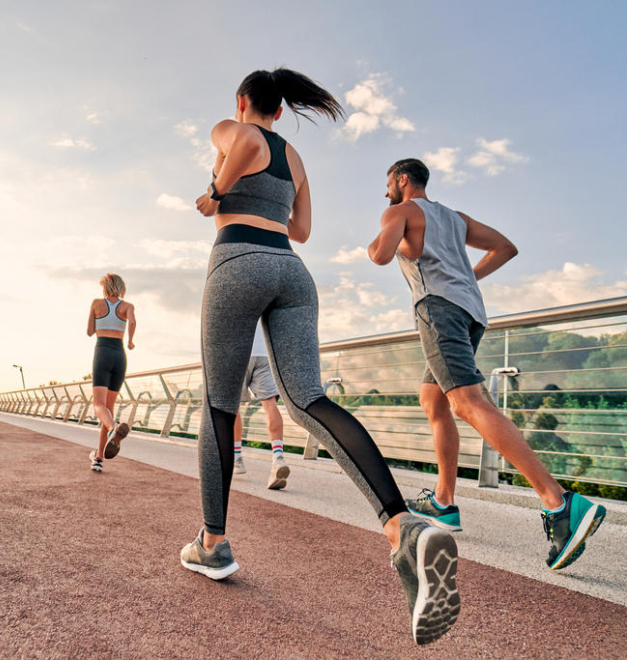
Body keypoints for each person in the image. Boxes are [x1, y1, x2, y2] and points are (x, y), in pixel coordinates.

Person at [182, 68, 459, 645]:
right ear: (282, 110)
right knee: (308, 399)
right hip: (292, 271)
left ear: (243, 102)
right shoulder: (297, 158)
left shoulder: (233, 129)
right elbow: (302, 229)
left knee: (219, 406)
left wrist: (213, 195)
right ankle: (401, 526)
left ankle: (212, 543)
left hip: (237, 262)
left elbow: (230, 166)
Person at [367, 158, 605, 570]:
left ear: (402, 180)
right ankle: (444, 501)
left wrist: (384, 231)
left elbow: (379, 256)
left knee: (467, 403)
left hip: (437, 310)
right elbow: (505, 248)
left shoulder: (400, 210)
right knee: (434, 400)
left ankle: (560, 502)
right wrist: (467, 277)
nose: (385, 190)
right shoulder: (455, 218)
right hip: (470, 312)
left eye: (388, 182)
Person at [86, 273, 136, 472]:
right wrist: (131, 340)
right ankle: (99, 457)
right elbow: (132, 322)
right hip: (120, 355)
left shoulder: (97, 304)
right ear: (121, 287)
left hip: (103, 351)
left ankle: (114, 429)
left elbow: (90, 331)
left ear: (105, 288)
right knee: (108, 408)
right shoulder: (128, 306)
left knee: (98, 405)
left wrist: (97, 318)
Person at [232, 321, 290, 490]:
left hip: (239, 352)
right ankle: (278, 457)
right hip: (265, 354)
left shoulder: (231, 294)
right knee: (270, 405)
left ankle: (236, 458)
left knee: (232, 405)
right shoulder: (265, 294)